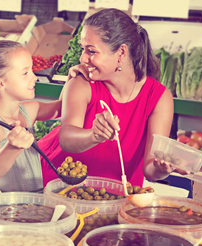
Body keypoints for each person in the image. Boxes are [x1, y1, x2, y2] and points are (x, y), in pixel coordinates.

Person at [39, 8, 175, 187]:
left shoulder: (159, 98)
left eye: (91, 51)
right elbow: (66, 139)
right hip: (59, 184)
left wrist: (162, 169)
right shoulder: (82, 83)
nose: (83, 58)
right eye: (83, 49)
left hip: (115, 196)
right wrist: (94, 135)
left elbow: (149, 169)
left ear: (121, 53)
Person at [0, 40, 61, 192]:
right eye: (25, 73)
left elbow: (63, 107)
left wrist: (76, 78)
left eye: (32, 70)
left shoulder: (28, 111)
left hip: (28, 207)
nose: (34, 77)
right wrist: (12, 147)